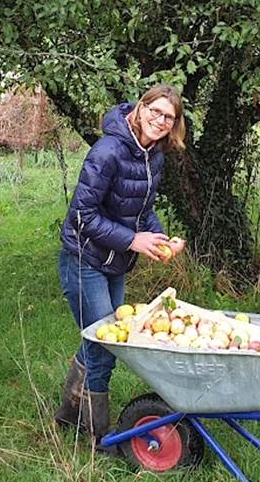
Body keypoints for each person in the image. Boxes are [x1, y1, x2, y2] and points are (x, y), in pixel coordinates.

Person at [54, 84, 186, 441]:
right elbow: (82, 215)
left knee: (99, 337)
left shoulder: (152, 154)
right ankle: (100, 437)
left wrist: (159, 239)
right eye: (155, 111)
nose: (159, 121)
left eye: (168, 117)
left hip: (114, 261)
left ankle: (68, 414)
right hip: (84, 259)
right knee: (106, 345)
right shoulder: (108, 151)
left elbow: (142, 211)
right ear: (140, 108)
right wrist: (133, 241)